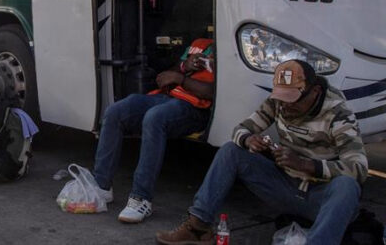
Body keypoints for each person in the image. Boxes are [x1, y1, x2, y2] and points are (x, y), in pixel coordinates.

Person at [155, 60, 368, 245]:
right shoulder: (278, 103)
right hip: (286, 187)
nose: (285, 106)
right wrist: (249, 140)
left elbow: (359, 168)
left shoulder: (338, 114)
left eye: (292, 100)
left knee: (347, 186)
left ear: (315, 92)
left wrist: (306, 165)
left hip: (321, 197)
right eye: (282, 99)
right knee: (231, 151)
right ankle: (197, 227)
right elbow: (240, 129)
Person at [92, 38, 215, 223]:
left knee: (154, 117)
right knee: (115, 111)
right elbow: (164, 77)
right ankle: (100, 187)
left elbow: (211, 92)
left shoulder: (232, 48)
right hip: (168, 97)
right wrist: (184, 66)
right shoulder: (201, 43)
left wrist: (181, 79)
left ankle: (141, 198)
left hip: (196, 108)